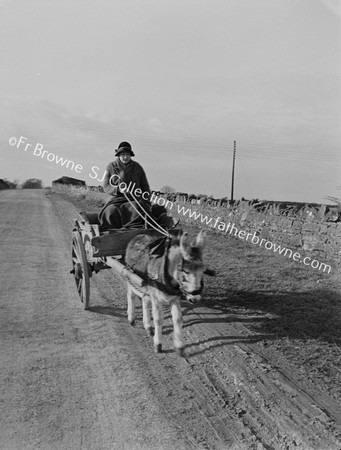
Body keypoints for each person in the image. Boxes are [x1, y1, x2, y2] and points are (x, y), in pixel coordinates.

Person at [98, 141, 152, 229]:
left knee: (137, 208)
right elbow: (106, 186)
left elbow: (145, 187)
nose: (125, 157)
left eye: (127, 154)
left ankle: (133, 230)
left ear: (131, 155)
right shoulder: (111, 166)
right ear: (118, 155)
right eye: (123, 155)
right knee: (110, 211)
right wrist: (118, 189)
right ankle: (110, 233)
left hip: (134, 198)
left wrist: (146, 199)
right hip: (116, 199)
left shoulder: (137, 167)